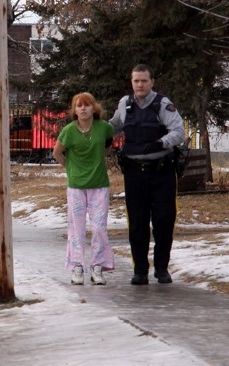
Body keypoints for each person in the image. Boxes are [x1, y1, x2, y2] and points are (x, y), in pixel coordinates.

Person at [109, 64, 185, 285]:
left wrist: (161, 143)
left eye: (144, 81)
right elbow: (113, 127)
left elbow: (179, 132)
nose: (140, 85)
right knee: (137, 223)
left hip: (162, 173)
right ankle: (140, 270)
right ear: (131, 82)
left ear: (152, 82)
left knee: (163, 220)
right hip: (134, 174)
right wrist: (89, 130)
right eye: (136, 81)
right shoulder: (125, 104)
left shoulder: (163, 104)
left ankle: (161, 268)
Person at [53, 92, 115, 285]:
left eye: (87, 105)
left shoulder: (103, 128)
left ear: (93, 108)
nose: (83, 109)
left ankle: (98, 268)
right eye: (79, 105)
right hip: (76, 187)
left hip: (99, 186)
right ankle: (77, 267)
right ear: (74, 110)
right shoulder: (69, 131)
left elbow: (108, 146)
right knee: (76, 229)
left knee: (98, 227)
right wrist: (70, 168)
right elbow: (57, 153)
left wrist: (98, 159)